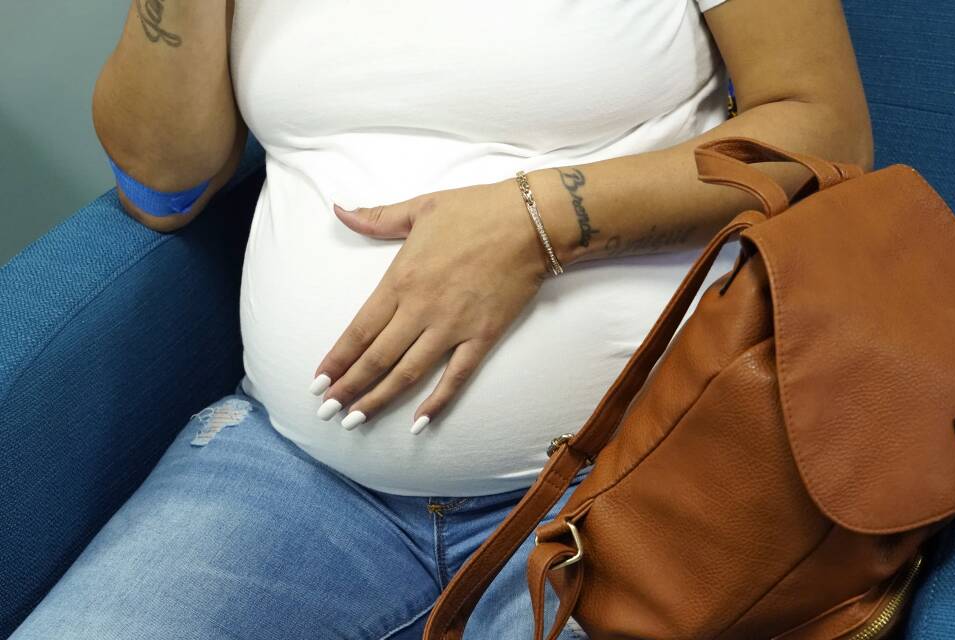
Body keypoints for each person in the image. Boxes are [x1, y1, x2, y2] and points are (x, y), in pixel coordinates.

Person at [11, 1, 872, 638]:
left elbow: (824, 129)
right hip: (299, 473)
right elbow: (164, 184)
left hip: (632, 470)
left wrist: (536, 225)